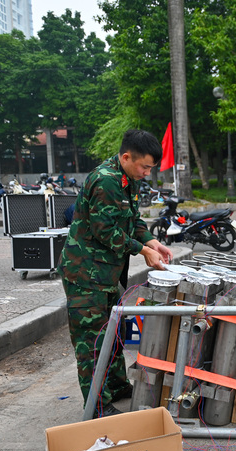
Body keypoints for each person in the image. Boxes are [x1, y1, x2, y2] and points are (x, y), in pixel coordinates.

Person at [59, 129, 173, 419]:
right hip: (86, 274)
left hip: (107, 273)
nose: (146, 173)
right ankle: (95, 406)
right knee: (91, 341)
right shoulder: (106, 181)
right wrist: (141, 250)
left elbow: (132, 219)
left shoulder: (127, 179)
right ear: (125, 157)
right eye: (144, 166)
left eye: (150, 168)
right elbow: (105, 230)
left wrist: (151, 240)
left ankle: (117, 385)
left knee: (113, 333)